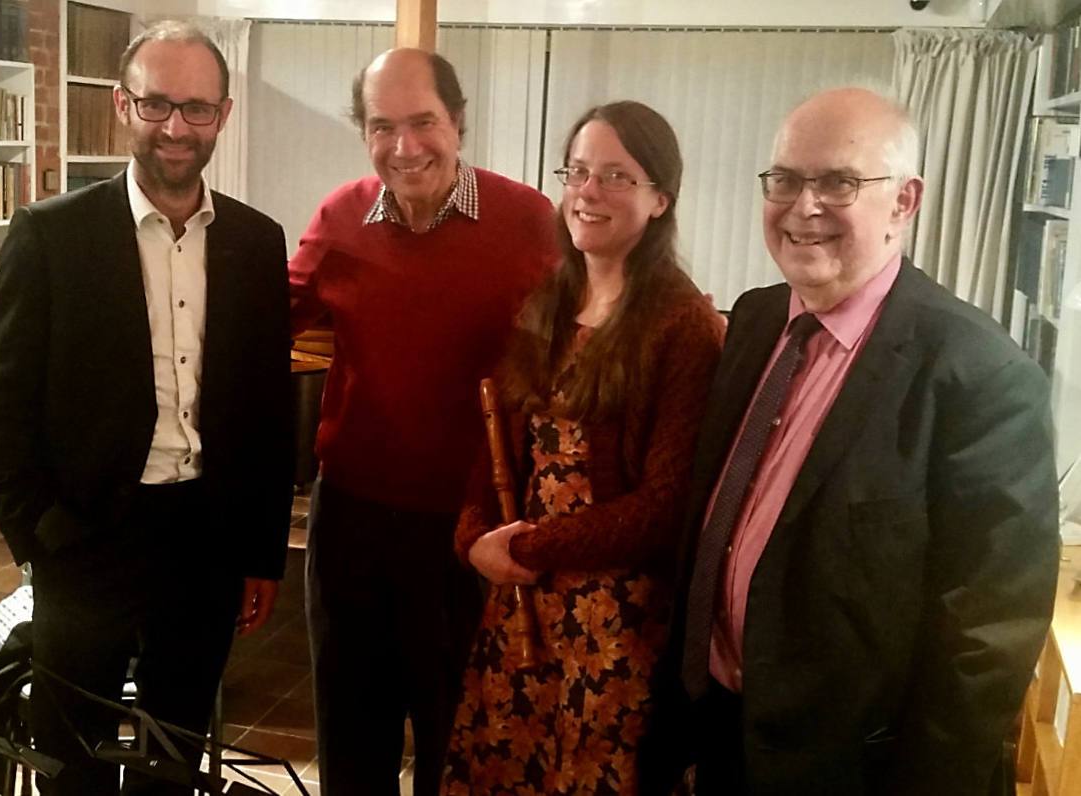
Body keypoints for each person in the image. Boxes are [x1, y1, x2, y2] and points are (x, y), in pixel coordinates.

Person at [639, 86, 1060, 796]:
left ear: (904, 201)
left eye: (838, 181)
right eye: (785, 179)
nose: (803, 207)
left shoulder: (979, 375)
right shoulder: (752, 319)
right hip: (717, 732)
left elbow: (984, 642)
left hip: (849, 767)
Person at [0, 21, 292, 796]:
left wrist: (259, 551)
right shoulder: (49, 235)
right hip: (87, 535)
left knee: (174, 752)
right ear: (123, 105)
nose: (175, 128)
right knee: (70, 757)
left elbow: (265, 408)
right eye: (156, 106)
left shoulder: (257, 241)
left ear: (223, 112)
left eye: (195, 108)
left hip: (207, 539)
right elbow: (2, 407)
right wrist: (41, 538)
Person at [287, 48, 559, 796]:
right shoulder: (340, 217)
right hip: (352, 522)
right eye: (382, 127)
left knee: (461, 738)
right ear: (362, 131)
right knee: (352, 737)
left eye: (423, 123)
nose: (404, 147)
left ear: (459, 123)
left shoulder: (531, 220)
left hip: (469, 529)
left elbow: (583, 348)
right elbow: (267, 325)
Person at [441, 101, 724, 796]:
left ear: (660, 198)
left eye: (616, 176)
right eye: (578, 171)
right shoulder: (548, 299)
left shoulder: (682, 326)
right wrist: (473, 534)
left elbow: (663, 507)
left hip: (614, 625)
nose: (588, 192)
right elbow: (500, 435)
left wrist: (524, 550)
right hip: (523, 604)